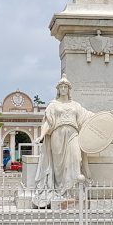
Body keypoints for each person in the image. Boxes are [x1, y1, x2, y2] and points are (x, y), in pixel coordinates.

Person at [32, 74, 94, 208]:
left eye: (66, 86)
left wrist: (103, 117)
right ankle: (61, 192)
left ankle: (73, 192)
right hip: (57, 136)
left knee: (77, 159)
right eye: (61, 87)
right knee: (58, 167)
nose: (64, 89)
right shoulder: (53, 105)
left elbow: (87, 117)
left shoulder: (76, 105)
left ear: (69, 89)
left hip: (73, 135)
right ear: (58, 89)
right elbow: (48, 122)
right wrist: (41, 136)